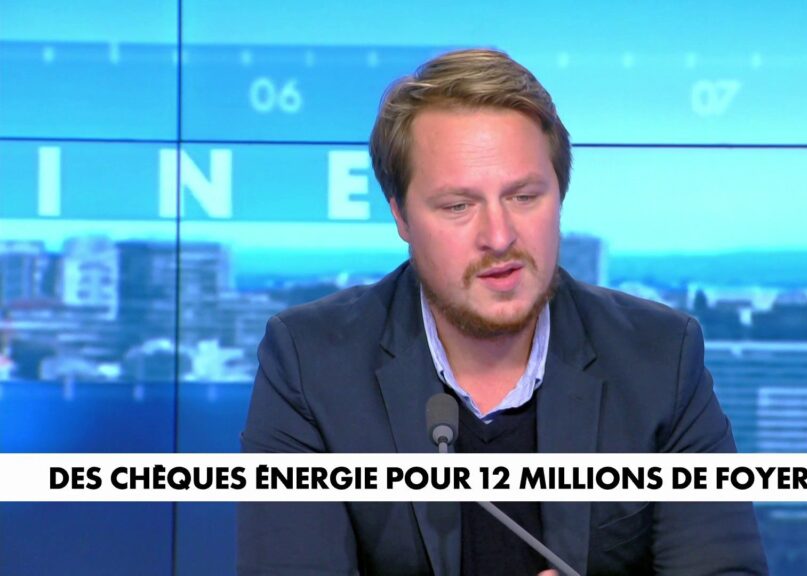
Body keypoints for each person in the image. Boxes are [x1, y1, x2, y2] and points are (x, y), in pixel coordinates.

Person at [238, 48, 768, 575]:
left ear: (560, 195)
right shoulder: (311, 366)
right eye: (458, 206)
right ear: (401, 216)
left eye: (524, 197)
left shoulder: (659, 358)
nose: (499, 237)